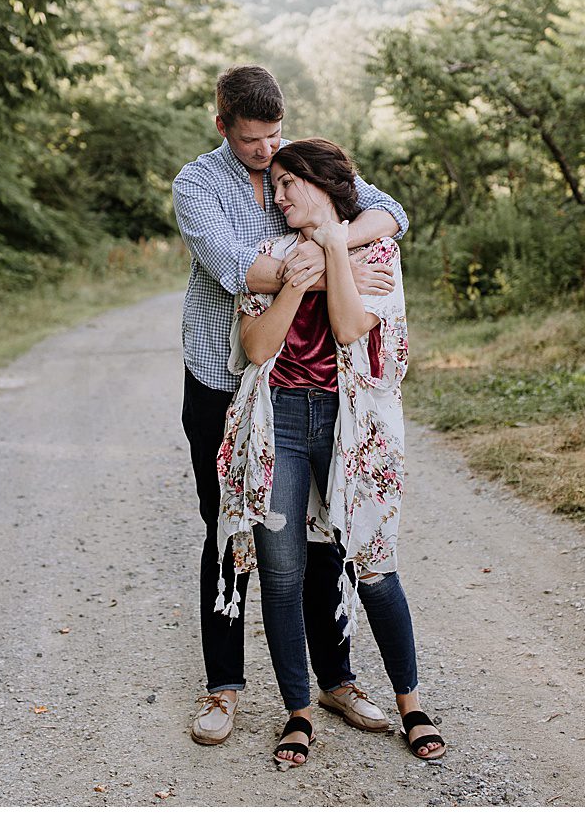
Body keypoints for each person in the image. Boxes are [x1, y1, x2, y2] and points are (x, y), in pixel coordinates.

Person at [172, 66, 410, 747]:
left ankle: (335, 679)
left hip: (304, 387)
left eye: (274, 134)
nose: (267, 150)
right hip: (222, 376)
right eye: (252, 139)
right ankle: (224, 688)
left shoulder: (297, 163)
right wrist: (326, 260)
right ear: (222, 125)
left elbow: (388, 211)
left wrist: (338, 242)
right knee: (228, 526)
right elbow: (239, 268)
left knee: (321, 528)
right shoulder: (199, 184)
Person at [215, 137, 445, 768]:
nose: (279, 194)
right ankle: (299, 713)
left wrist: (332, 251)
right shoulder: (271, 255)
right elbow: (259, 347)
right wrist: (296, 282)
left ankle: (411, 703)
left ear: (323, 184)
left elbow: (350, 328)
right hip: (280, 419)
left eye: (290, 183)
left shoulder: (376, 249)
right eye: (277, 184)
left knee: (373, 564)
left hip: (353, 422)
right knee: (282, 574)